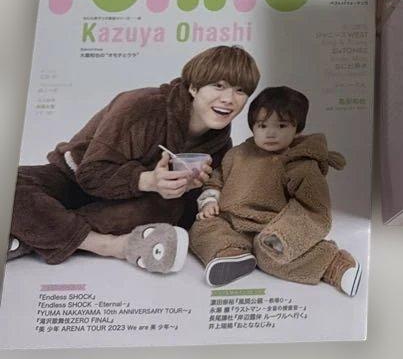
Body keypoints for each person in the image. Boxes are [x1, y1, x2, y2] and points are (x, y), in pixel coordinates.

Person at [9, 45, 259, 272]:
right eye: (218, 86)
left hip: (126, 205)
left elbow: (188, 211)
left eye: (240, 91)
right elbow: (90, 174)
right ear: (194, 87)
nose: (228, 99)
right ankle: (107, 245)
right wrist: (148, 180)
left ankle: (32, 230)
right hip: (72, 179)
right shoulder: (142, 106)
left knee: (169, 208)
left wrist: (188, 190)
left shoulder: (220, 144)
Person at [190, 86, 361, 296]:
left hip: (270, 229)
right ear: (253, 127)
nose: (270, 133)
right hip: (231, 222)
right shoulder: (237, 154)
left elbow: (313, 207)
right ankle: (231, 253)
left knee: (271, 257)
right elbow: (217, 179)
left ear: (297, 129)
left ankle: (332, 264)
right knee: (202, 227)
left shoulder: (300, 163)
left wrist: (284, 235)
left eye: (281, 125)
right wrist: (210, 200)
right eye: (262, 125)